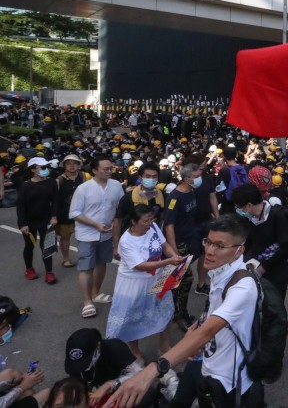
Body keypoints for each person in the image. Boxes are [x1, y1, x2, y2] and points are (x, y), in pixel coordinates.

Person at [106, 215, 262, 408]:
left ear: (239, 251)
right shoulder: (221, 270)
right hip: (205, 357)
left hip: (226, 377)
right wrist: (196, 326)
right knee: (180, 400)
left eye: (219, 246)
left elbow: (208, 331)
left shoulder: (243, 287)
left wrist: (153, 370)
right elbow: (212, 312)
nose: (210, 251)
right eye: (208, 242)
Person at [106, 205, 182, 360]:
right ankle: (134, 350)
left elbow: (165, 245)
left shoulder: (153, 227)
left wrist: (175, 258)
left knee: (167, 311)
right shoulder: (126, 241)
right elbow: (140, 266)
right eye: (146, 220)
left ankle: (164, 344)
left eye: (151, 219)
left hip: (156, 278)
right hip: (134, 284)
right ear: (134, 222)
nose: (150, 222)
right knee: (132, 319)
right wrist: (169, 261)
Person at [69, 155, 124, 318]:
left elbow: (120, 206)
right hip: (87, 234)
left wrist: (116, 223)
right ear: (94, 170)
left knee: (102, 264)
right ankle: (87, 301)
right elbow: (74, 213)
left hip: (106, 234)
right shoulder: (83, 189)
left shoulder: (115, 185)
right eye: (105, 169)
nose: (109, 171)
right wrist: (95, 224)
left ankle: (96, 293)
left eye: (110, 168)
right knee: (86, 268)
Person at [231, 182, 288, 299]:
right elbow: (250, 240)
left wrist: (263, 268)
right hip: (257, 266)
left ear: (248, 205)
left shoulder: (278, 216)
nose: (238, 210)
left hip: (276, 272)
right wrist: (237, 255)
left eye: (239, 207)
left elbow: (286, 248)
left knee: (274, 307)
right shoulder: (253, 218)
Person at [162, 162, 202, 331]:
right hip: (178, 244)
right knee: (184, 279)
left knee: (179, 280)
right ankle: (177, 314)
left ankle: (178, 312)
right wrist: (174, 251)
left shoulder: (192, 191)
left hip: (190, 239)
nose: (200, 178)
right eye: (197, 176)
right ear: (187, 179)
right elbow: (169, 225)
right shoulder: (174, 198)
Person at [64, 328, 144, 404]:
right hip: (97, 391)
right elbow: (76, 383)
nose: (81, 367)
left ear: (98, 346)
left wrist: (109, 385)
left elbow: (140, 374)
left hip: (122, 384)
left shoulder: (115, 347)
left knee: (144, 397)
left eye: (85, 361)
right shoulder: (75, 362)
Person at [16, 157, 58, 284]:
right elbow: (21, 206)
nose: (46, 170)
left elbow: (56, 200)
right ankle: (29, 269)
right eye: (43, 167)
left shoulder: (51, 182)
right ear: (33, 170)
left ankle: (49, 272)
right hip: (29, 221)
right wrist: (23, 224)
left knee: (47, 246)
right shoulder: (25, 185)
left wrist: (54, 216)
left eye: (46, 167)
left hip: (46, 220)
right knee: (29, 246)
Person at [53, 154, 87, 268]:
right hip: (65, 213)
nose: (72, 166)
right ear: (64, 166)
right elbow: (55, 199)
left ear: (78, 165)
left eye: (74, 163)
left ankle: (85, 257)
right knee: (65, 236)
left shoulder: (82, 176)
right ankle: (66, 259)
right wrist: (54, 215)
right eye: (68, 164)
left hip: (81, 211)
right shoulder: (60, 180)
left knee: (83, 235)